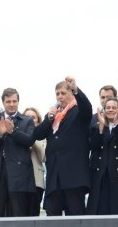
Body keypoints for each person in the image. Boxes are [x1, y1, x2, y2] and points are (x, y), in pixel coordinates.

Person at [33, 76, 93, 216]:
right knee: (53, 215)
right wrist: (49, 118)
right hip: (55, 177)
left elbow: (87, 107)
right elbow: (38, 134)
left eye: (63, 93)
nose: (60, 96)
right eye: (57, 93)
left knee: (75, 215)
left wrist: (76, 89)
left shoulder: (78, 112)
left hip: (74, 177)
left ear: (71, 94)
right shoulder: (54, 116)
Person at [0, 88, 36, 217]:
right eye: (8, 101)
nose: (12, 104)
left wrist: (13, 132)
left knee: (19, 213)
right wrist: (0, 134)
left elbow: (30, 140)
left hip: (19, 173)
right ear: (3, 103)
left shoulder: (27, 121)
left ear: (18, 102)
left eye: (14, 101)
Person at [87, 97, 118, 214]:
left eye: (113, 107)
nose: (110, 110)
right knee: (100, 209)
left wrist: (116, 124)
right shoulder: (96, 127)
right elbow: (93, 146)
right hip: (101, 175)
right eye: (108, 108)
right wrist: (100, 127)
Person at [23, 107, 46, 216]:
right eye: (27, 117)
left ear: (38, 120)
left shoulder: (42, 136)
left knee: (33, 214)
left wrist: (31, 138)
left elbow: (43, 157)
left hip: (36, 181)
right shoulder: (18, 135)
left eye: (33, 117)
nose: (30, 120)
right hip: (20, 180)